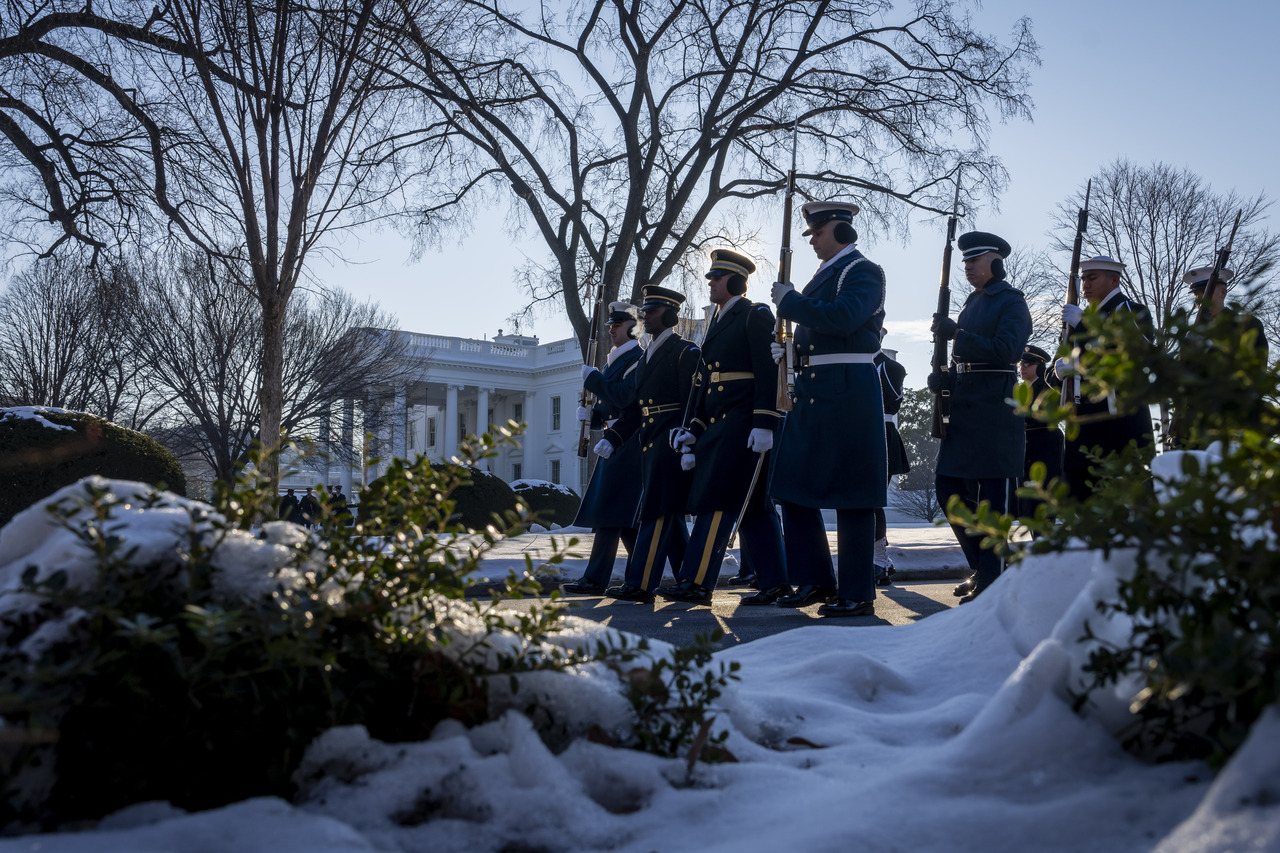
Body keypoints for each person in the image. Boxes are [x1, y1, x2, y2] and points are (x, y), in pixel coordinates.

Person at [767, 200, 886, 618]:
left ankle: (857, 592)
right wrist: (788, 349)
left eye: (818, 233)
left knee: (853, 494)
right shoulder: (826, 274)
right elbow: (819, 331)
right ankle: (815, 578)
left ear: (841, 230)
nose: (813, 242)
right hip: (816, 389)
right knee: (792, 486)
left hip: (848, 391)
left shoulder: (863, 271)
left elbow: (844, 317)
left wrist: (792, 303)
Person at [658, 249, 789, 605]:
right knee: (753, 506)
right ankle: (775, 582)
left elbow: (766, 372)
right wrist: (693, 428)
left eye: (716, 277)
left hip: (744, 424)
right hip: (720, 424)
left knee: (717, 500)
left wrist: (765, 422)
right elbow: (705, 385)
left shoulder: (754, 314)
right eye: (711, 277)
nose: (710, 283)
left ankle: (697, 582)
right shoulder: (717, 321)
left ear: (733, 280)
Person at [928, 231, 1031, 603]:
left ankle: (993, 575)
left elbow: (1008, 350)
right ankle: (987, 565)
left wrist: (957, 333)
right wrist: (946, 379)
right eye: (966, 261)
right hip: (967, 404)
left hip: (995, 408)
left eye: (975, 259)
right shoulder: (973, 302)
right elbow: (965, 356)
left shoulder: (1011, 301)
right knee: (947, 488)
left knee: (992, 501)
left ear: (995, 261)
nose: (968, 266)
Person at [594, 285, 700, 602]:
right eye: (646, 312)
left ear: (669, 315)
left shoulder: (686, 352)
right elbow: (637, 407)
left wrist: (689, 436)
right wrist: (614, 437)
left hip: (671, 442)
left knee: (657, 513)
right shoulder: (648, 355)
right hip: (649, 442)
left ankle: (641, 584)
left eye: (652, 312)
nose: (646, 317)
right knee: (666, 514)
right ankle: (687, 579)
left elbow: (693, 402)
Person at [562, 302, 649, 594]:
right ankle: (641, 578)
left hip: (628, 442)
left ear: (633, 327)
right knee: (623, 519)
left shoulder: (637, 359)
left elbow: (626, 398)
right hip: (613, 442)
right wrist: (594, 416)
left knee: (611, 510)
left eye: (618, 324)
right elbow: (609, 405)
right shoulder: (613, 361)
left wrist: (594, 380)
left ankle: (597, 578)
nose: (611, 329)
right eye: (611, 324)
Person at [1054, 255, 1154, 502]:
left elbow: (1136, 356)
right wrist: (1057, 373)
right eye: (1084, 279)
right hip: (1081, 423)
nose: (1085, 284)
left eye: (1092, 277)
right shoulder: (1076, 320)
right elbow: (1057, 372)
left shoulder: (1132, 312)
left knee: (1125, 503)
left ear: (1114, 279)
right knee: (1080, 500)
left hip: (1120, 424)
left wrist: (1084, 325)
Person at [873, 336, 911, 586]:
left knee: (873, 500)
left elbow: (891, 402)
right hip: (854, 432)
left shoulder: (890, 367)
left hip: (881, 433)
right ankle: (880, 561)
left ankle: (879, 560)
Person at [1016, 344, 1064, 525]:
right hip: (1026, 451)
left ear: (1041, 366)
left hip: (1045, 448)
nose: (1023, 367)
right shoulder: (1021, 390)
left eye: (1028, 364)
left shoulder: (1048, 389)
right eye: (1021, 363)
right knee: (1027, 509)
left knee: (1041, 506)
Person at [1184, 265, 1269, 362]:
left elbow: (1257, 365)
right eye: (1196, 294)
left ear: (1223, 293)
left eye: (1205, 291)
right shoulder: (1193, 333)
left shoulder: (1246, 324)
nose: (1199, 298)